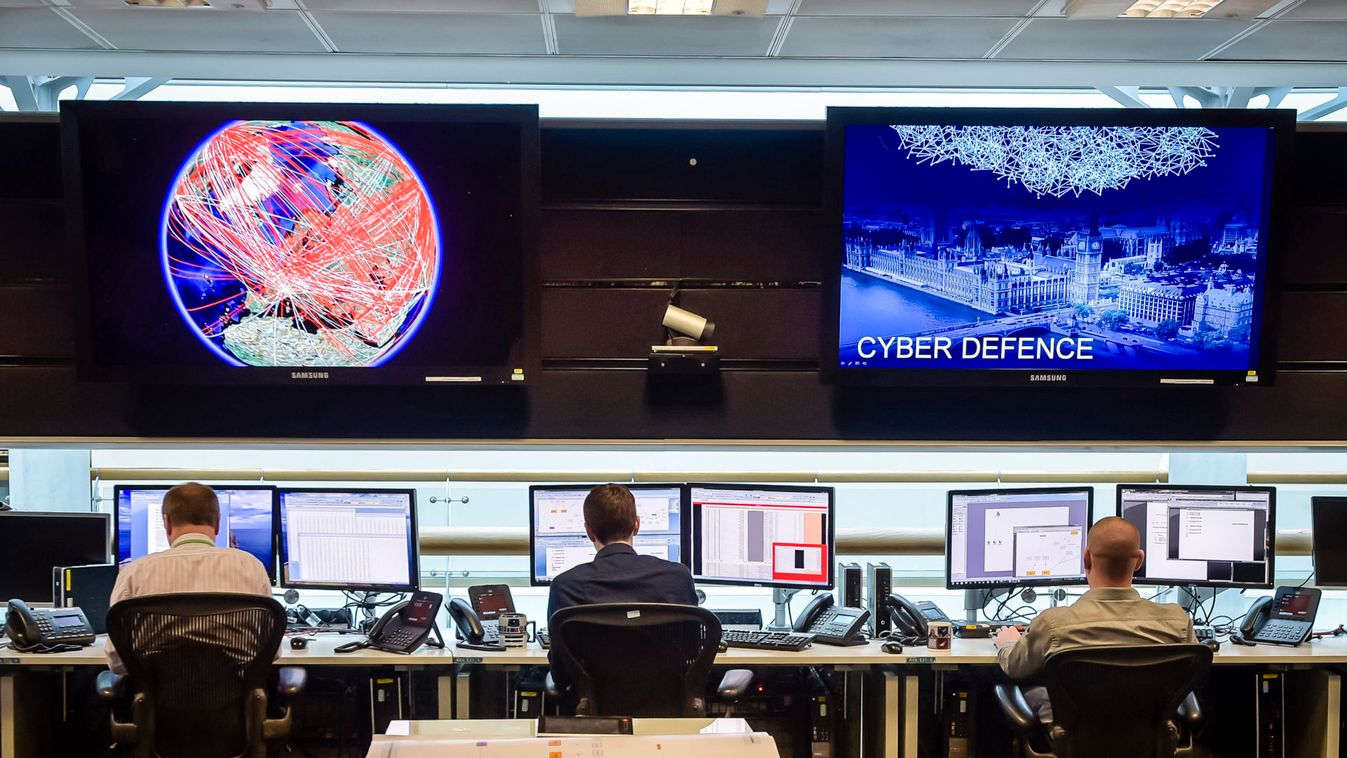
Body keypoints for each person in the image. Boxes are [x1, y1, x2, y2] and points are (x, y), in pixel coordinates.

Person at [993, 516, 1197, 723]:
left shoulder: (1053, 624)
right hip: (1152, 740)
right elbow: (1192, 675)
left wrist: (1007, 643)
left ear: (1086, 558)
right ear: (1139, 561)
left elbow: (1015, 667)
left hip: (1074, 742)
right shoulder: (1177, 622)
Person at [105, 482, 273, 674]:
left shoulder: (134, 573)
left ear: (166, 522)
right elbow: (271, 651)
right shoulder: (251, 567)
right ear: (218, 523)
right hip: (236, 701)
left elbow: (116, 660)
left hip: (156, 701)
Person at [546, 483, 698, 686]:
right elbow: (693, 651)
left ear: (589, 531)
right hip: (667, 710)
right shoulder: (677, 577)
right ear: (637, 525)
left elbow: (561, 673)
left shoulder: (565, 586)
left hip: (593, 713)